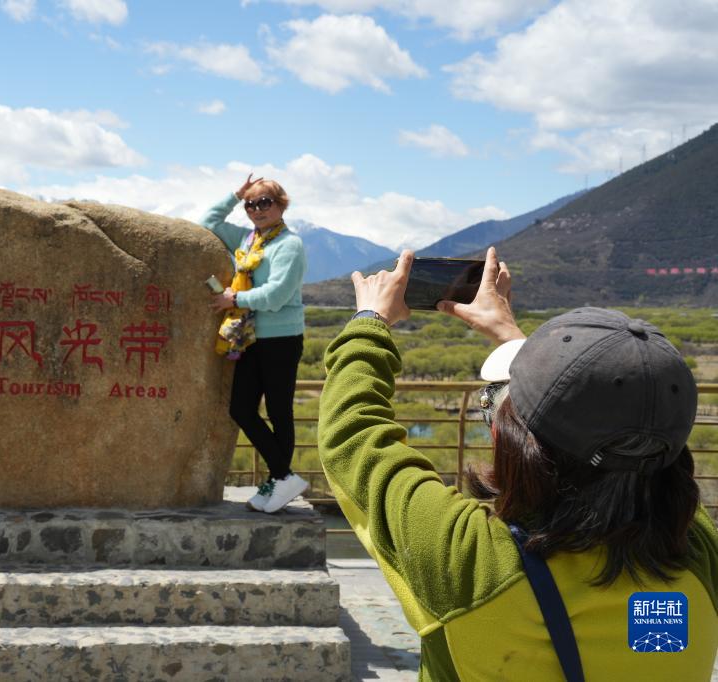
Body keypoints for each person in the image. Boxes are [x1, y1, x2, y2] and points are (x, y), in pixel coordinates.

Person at [318, 247, 718, 680]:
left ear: (521, 447)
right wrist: (514, 338)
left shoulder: (470, 560)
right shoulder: (698, 550)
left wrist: (370, 321)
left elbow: (353, 434)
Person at [201, 174, 309, 513]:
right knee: (241, 408)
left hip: (282, 339)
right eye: (251, 204)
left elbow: (277, 295)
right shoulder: (248, 240)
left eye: (265, 202)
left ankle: (278, 482)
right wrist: (235, 194)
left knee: (279, 412)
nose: (257, 209)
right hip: (249, 337)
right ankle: (284, 477)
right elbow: (208, 223)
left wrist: (234, 298)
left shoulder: (289, 245)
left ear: (281, 205)